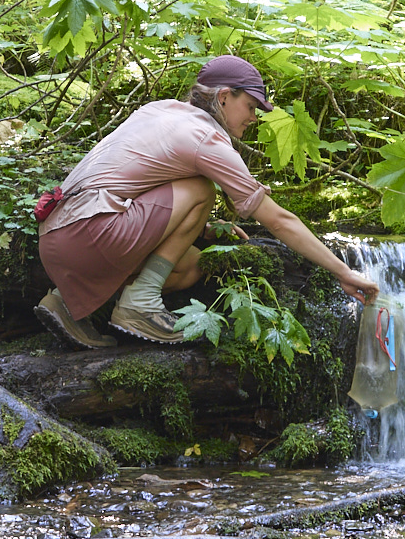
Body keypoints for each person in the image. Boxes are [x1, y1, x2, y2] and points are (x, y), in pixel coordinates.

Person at [34, 55, 380, 347]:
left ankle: (63, 299)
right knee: (202, 190)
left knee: (190, 265)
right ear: (225, 96)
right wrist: (344, 272)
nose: (254, 117)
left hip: (55, 240)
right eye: (251, 106)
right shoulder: (205, 137)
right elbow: (278, 221)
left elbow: (136, 187)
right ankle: (139, 306)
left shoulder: (158, 111)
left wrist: (202, 226)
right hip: (92, 234)